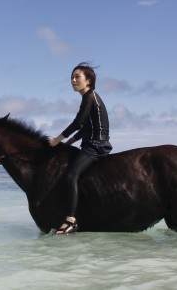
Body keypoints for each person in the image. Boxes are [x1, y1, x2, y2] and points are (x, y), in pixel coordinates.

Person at [49, 62, 111, 234]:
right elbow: (85, 127)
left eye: (77, 77)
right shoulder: (89, 97)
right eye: (72, 77)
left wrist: (57, 139)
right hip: (92, 142)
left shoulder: (90, 97)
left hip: (96, 145)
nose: (73, 80)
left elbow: (78, 123)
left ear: (88, 80)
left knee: (70, 175)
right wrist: (68, 143)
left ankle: (71, 220)